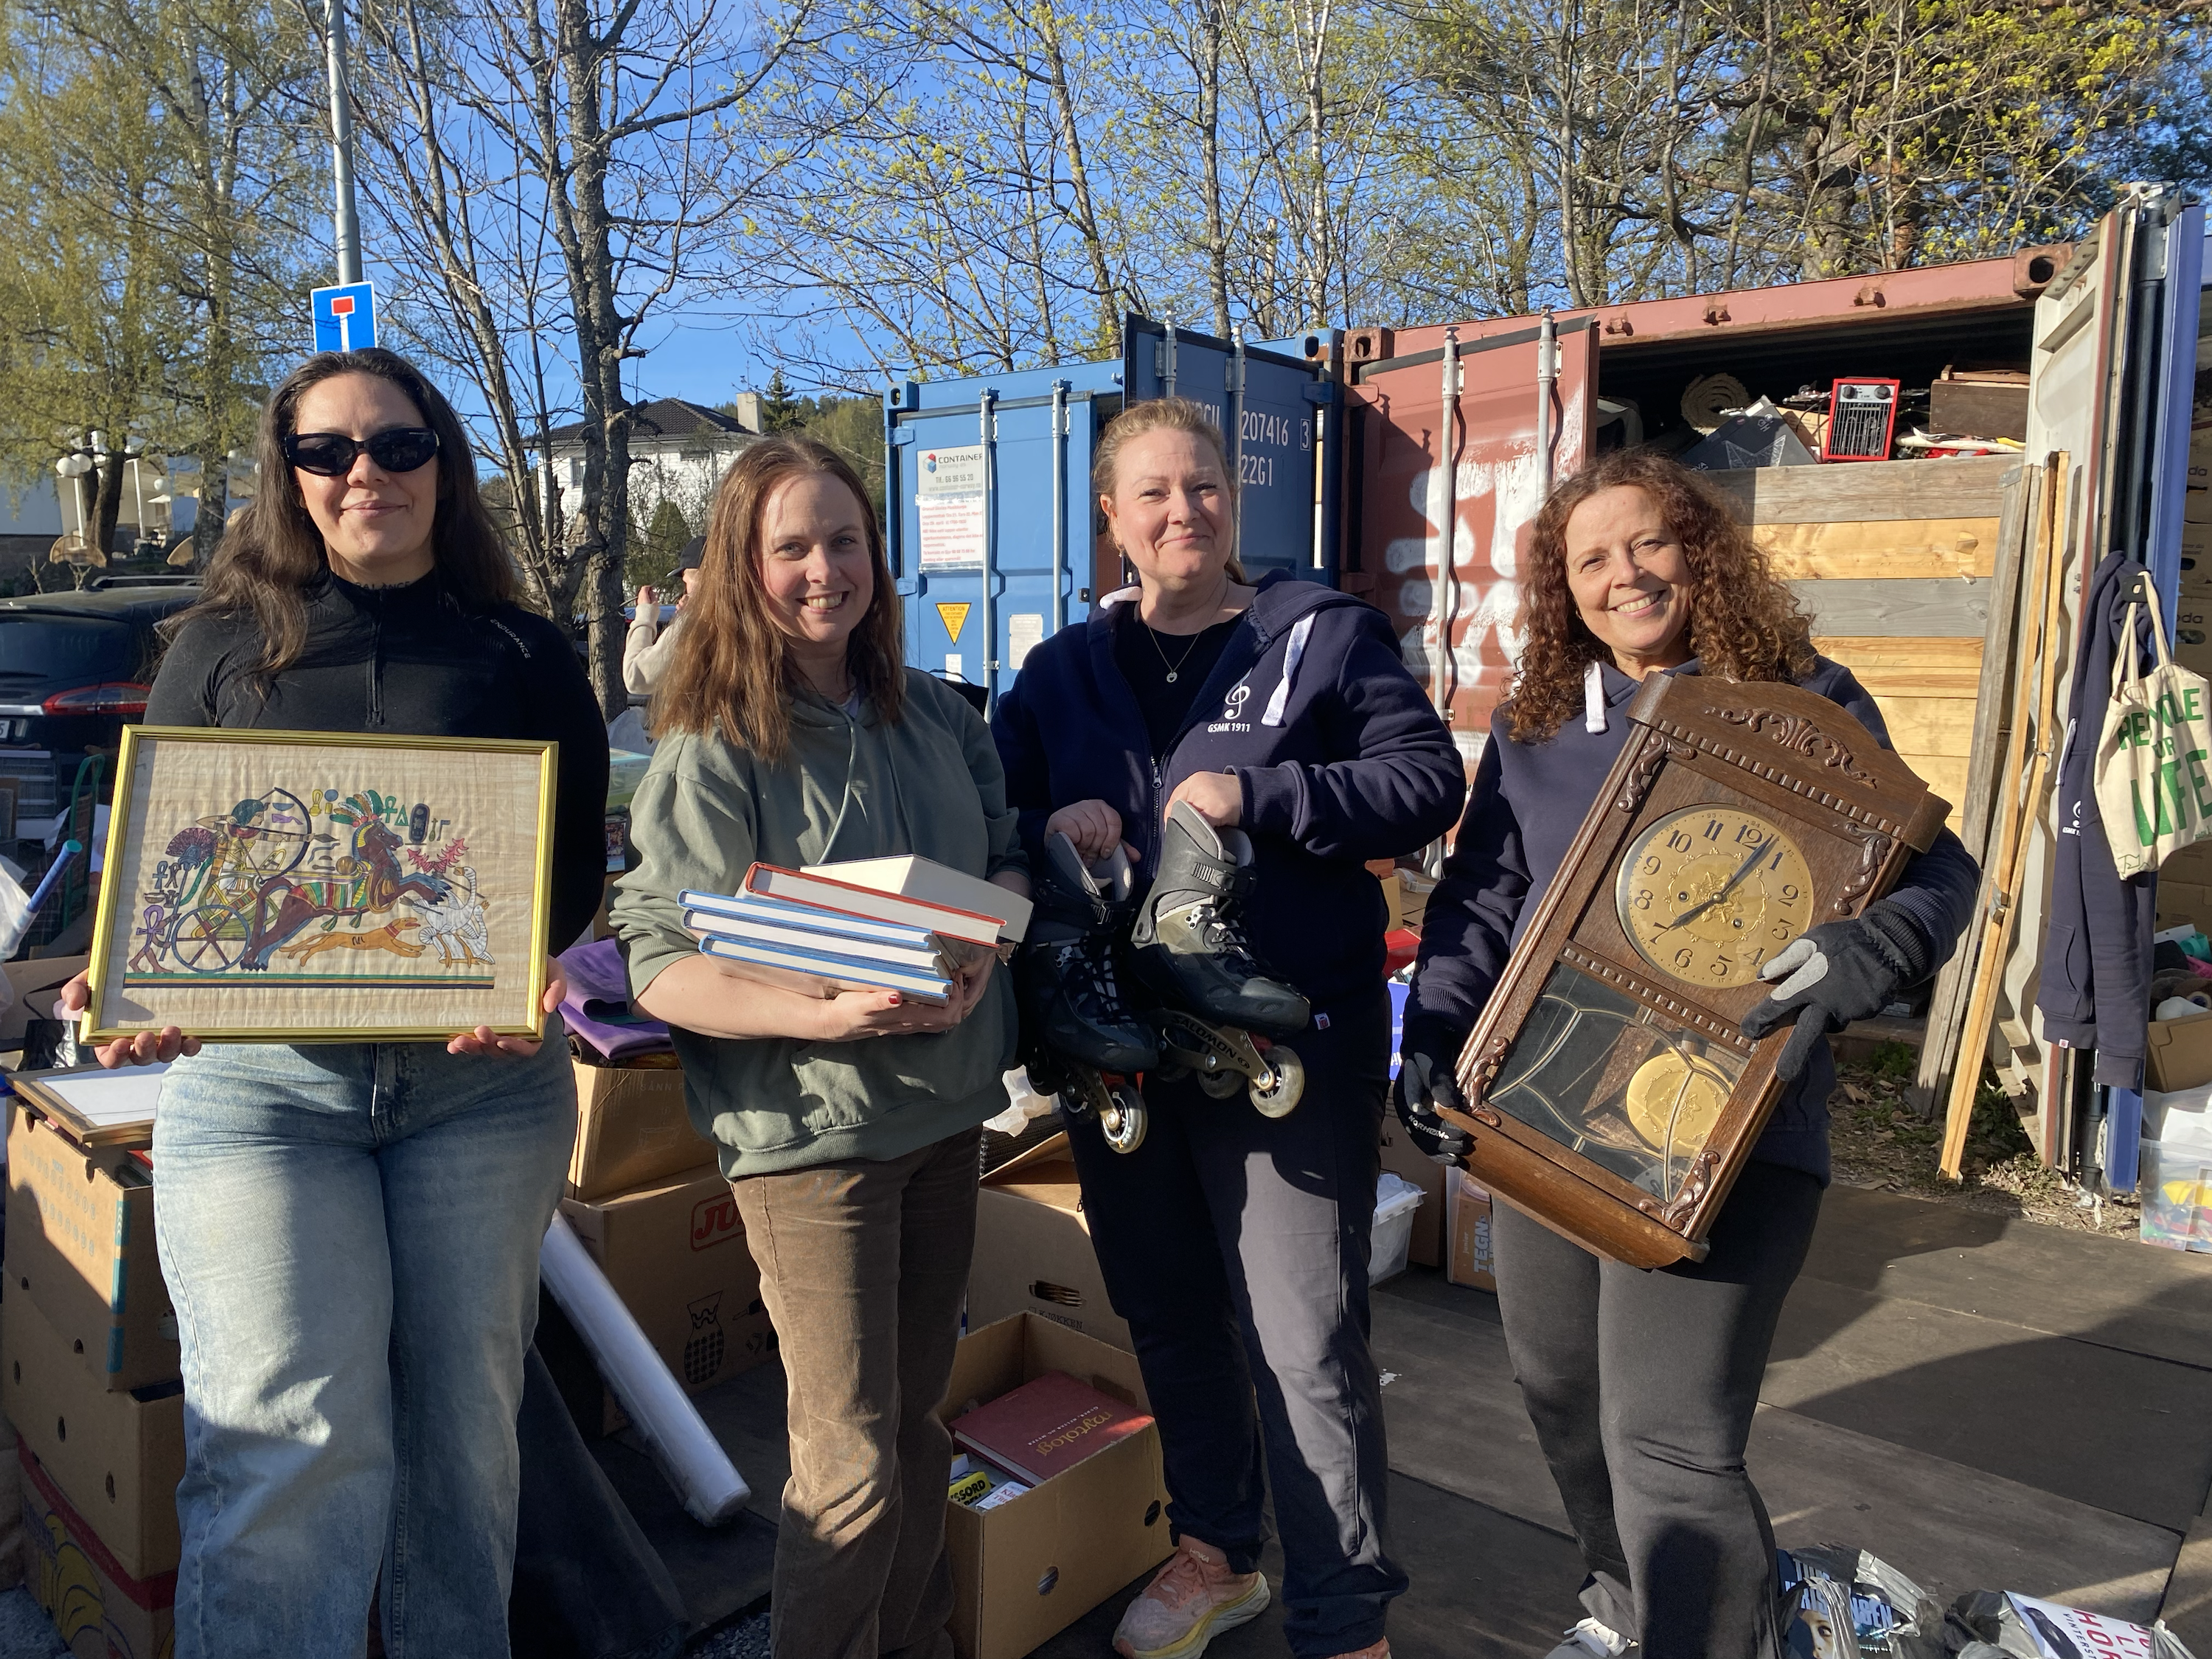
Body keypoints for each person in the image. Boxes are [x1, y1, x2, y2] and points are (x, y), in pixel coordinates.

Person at [60, 347, 610, 1658]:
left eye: (399, 446)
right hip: (265, 1095)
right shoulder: (215, 649)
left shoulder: (523, 651)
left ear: (444, 464)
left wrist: (533, 966)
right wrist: (133, 975)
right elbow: (166, 873)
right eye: (329, 451)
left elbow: (572, 872)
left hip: (480, 1095)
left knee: (462, 1446)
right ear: (289, 475)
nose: (367, 473)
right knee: (286, 1440)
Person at [1396, 448, 1978, 1659]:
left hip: (1733, 1140)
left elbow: (1942, 871)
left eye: (1646, 542)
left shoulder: (1802, 703)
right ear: (1563, 593)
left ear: (1699, 551)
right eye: (1590, 559)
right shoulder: (1539, 727)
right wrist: (1440, 1038)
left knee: (1668, 1442)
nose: (1624, 574)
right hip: (1550, 1122)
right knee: (1566, 1399)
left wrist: (1874, 949)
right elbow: (1477, 904)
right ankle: (1627, 1612)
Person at [992, 397, 1467, 1659]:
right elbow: (1005, 812)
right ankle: (1217, 1551)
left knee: (1305, 1339)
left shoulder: (1320, 638)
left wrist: (1260, 792)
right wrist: (1055, 830)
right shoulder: (1059, 674)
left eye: (1201, 485)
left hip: (1283, 1050)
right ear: (1114, 522)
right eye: (1152, 494)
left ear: (1232, 499)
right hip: (1124, 1055)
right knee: (1168, 1313)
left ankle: (1344, 1618)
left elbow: (1426, 783)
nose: (1182, 510)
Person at [611, 436, 1027, 1659]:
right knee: (845, 1458)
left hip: (946, 1120)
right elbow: (660, 961)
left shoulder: (936, 711)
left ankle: (917, 1641)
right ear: (743, 567)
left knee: (916, 1434)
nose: (822, 570)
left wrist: (985, 939)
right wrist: (818, 1014)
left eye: (843, 541)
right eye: (789, 546)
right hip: (813, 1148)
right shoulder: (715, 743)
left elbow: (1005, 847)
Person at [625, 535, 703, 695]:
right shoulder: (752, 615)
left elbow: (637, 678)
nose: (685, 591)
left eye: (686, 581)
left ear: (701, 578)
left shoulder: (700, 622)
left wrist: (645, 615)